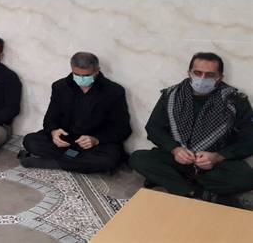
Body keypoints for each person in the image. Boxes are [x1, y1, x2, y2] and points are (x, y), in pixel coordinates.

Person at [129, 52, 253, 204]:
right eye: (198, 73)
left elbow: (249, 140)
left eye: (210, 75)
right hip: (178, 157)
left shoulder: (235, 101)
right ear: (189, 73)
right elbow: (154, 128)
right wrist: (175, 149)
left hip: (214, 162)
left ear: (220, 77)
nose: (202, 78)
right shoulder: (171, 95)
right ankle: (199, 192)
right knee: (138, 158)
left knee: (246, 178)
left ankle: (173, 182)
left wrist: (218, 156)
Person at [20, 52, 131, 173]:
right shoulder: (60, 87)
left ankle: (54, 163)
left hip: (95, 144)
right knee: (30, 141)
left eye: (86, 75)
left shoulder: (114, 91)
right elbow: (50, 119)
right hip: (66, 140)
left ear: (97, 71)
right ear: (72, 69)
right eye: (77, 75)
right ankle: (74, 162)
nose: (81, 79)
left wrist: (96, 139)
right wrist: (54, 132)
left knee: (109, 160)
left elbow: (122, 128)